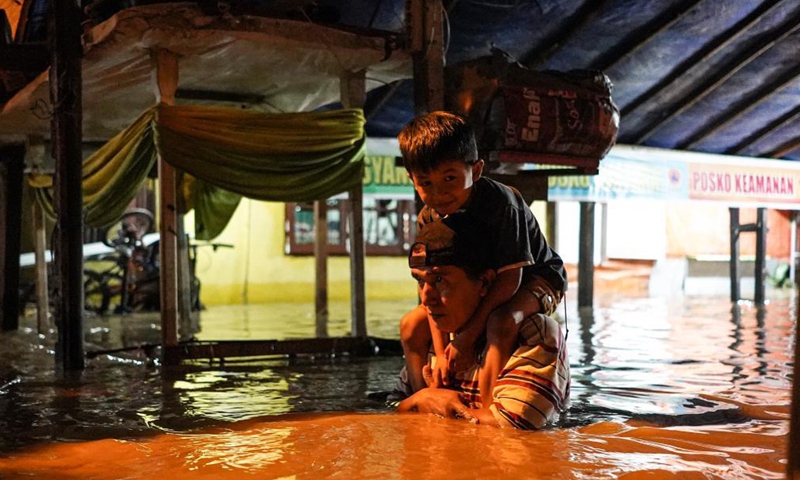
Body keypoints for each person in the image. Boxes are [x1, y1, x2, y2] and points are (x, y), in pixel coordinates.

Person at [397, 111, 567, 409]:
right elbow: (430, 281)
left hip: (536, 278)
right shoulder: (429, 215)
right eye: (426, 182)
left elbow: (509, 280)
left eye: (450, 178)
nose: (439, 193)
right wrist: (443, 352)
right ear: (412, 179)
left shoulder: (502, 203)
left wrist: (465, 339)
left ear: (475, 171)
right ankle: (423, 392)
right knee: (412, 324)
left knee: (501, 322)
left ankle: (488, 409)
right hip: (485, 280)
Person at [394, 213, 570, 429]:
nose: (426, 298)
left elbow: (512, 430)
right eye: (421, 281)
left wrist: (426, 403)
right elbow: (395, 406)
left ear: (485, 282)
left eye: (440, 280)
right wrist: (421, 399)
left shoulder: (534, 335)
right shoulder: (431, 337)